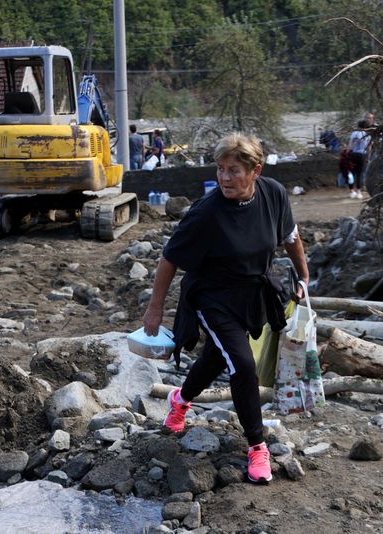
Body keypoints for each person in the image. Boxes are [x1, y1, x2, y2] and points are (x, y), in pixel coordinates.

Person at [142, 132, 309, 484]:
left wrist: (304, 277)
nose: (224, 178)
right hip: (212, 296)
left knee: (220, 357)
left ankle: (180, 399)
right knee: (243, 364)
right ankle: (257, 446)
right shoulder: (206, 212)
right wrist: (155, 309)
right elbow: (170, 258)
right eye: (220, 169)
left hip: (254, 293)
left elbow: (291, 237)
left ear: (255, 171)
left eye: (233, 170)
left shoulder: (274, 195)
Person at [347, 119, 371, 199]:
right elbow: (369, 147)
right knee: (359, 174)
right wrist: (368, 156)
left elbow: (350, 145)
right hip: (362, 155)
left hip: (353, 154)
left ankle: (352, 191)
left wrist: (347, 153)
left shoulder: (354, 133)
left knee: (351, 173)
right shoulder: (368, 135)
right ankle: (359, 192)